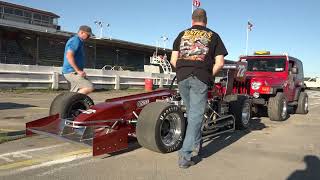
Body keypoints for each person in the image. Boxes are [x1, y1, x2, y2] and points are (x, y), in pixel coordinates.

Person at [170, 8, 228, 168]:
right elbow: (220, 63)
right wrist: (209, 75)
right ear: (206, 20)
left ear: (192, 20)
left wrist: (183, 71)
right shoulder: (213, 36)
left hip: (182, 76)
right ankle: (185, 154)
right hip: (200, 77)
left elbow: (173, 60)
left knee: (192, 113)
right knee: (196, 115)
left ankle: (196, 143)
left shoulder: (182, 34)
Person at [62, 25, 94, 94]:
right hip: (72, 72)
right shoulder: (76, 40)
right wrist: (78, 70)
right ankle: (72, 101)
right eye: (88, 35)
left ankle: (72, 103)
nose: (89, 37)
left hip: (71, 71)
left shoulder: (79, 42)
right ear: (81, 32)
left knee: (74, 92)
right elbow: (69, 56)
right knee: (89, 87)